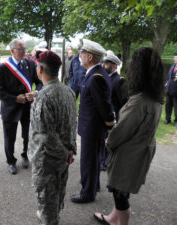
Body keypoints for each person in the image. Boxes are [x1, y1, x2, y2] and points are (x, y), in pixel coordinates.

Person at [94, 47, 165, 225]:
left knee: (120, 194)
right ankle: (112, 218)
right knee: (121, 189)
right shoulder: (154, 98)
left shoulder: (139, 101)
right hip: (140, 151)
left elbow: (123, 130)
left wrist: (109, 140)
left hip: (130, 154)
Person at [28, 51, 77, 225]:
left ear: (40, 69)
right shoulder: (69, 91)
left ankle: (50, 218)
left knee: (47, 199)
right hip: (63, 157)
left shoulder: (44, 96)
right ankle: (51, 215)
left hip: (47, 160)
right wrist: (71, 149)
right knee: (57, 193)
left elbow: (46, 136)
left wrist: (65, 152)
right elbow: (73, 123)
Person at [70, 39, 115, 204]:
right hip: (92, 126)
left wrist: (110, 126)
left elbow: (103, 107)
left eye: (82, 54)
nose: (79, 56)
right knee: (93, 159)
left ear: (89, 57)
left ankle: (87, 193)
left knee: (88, 160)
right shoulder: (94, 73)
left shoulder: (96, 77)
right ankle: (93, 185)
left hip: (92, 127)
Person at [0, 39, 42, 175]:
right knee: (10, 137)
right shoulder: (3, 67)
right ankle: (11, 161)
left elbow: (39, 82)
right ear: (12, 51)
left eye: (25, 49)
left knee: (28, 135)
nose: (24, 52)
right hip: (10, 108)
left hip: (27, 107)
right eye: (20, 49)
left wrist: (36, 92)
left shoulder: (30, 64)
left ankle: (25, 155)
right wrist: (15, 98)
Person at [100, 50, 128, 171]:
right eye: (104, 63)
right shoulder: (104, 78)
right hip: (105, 114)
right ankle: (103, 160)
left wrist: (119, 118)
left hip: (115, 115)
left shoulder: (119, 80)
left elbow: (123, 102)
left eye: (106, 64)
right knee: (104, 138)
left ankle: (108, 161)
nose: (103, 65)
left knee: (111, 139)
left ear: (114, 66)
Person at [164, 53, 177, 126]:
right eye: (174, 58)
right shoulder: (172, 66)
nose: (174, 59)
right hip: (169, 90)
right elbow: (168, 77)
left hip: (176, 91)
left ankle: (176, 121)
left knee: (176, 107)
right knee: (168, 105)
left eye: (175, 58)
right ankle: (167, 119)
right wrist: (166, 83)